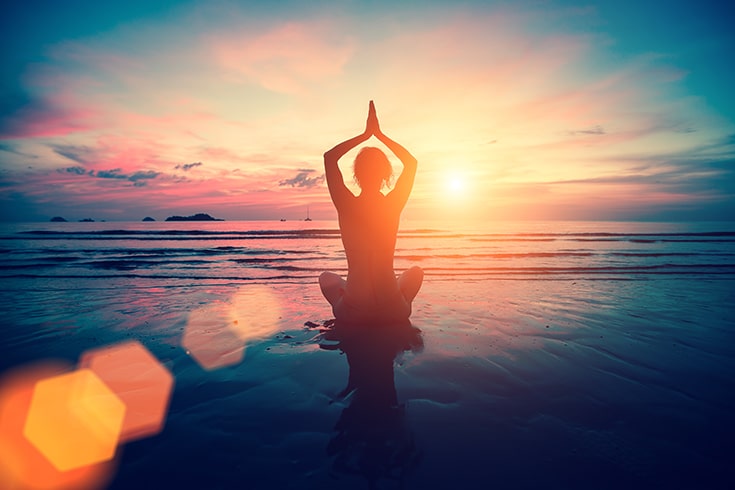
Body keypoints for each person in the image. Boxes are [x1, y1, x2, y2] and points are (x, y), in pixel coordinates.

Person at [320, 101, 423, 324]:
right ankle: (400, 297)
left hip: (355, 309)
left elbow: (329, 157)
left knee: (326, 278)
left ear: (356, 174)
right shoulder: (393, 203)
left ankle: (348, 293)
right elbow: (411, 163)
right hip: (392, 308)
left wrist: (365, 135)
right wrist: (380, 135)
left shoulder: (346, 204)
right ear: (386, 175)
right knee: (414, 273)